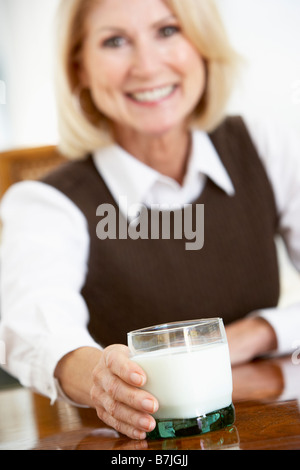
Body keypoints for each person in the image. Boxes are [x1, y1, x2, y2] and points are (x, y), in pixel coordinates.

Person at [0, 0, 299, 441]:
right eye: (115, 41)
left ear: (201, 44)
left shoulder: (263, 145)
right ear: (79, 68)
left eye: (167, 30)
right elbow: (31, 319)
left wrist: (260, 331)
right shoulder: (47, 202)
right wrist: (99, 377)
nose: (147, 65)